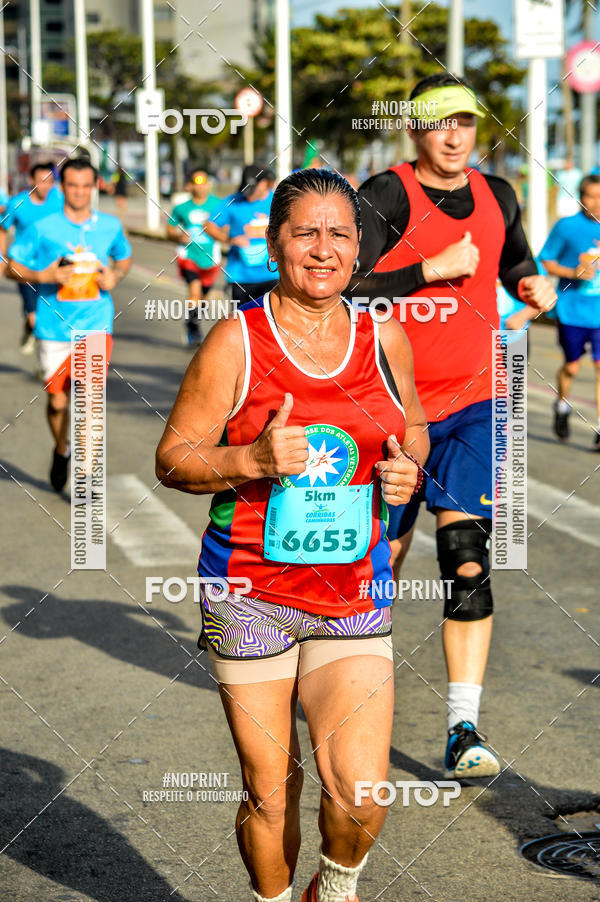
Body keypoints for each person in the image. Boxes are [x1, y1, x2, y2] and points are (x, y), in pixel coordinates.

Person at [156, 169, 429, 902]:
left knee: (361, 792)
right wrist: (250, 459)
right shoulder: (235, 340)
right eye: (305, 231)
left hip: (351, 589)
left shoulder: (385, 336)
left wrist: (407, 469)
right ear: (275, 241)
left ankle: (332, 893)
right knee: (271, 791)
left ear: (359, 248)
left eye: (340, 233)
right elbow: (175, 460)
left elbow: (414, 428)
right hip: (252, 591)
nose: (323, 248)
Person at [354, 73, 556, 778]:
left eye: (465, 123)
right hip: (392, 405)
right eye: (440, 123)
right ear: (415, 129)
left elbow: (516, 263)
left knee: (466, 558)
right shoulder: (386, 194)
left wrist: (533, 284)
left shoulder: (499, 195)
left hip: (475, 402)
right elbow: (341, 283)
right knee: (381, 565)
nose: (454, 135)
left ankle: (461, 728)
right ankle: (356, 696)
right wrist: (426, 268)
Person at [6, 157, 132, 492]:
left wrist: (115, 275)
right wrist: (42, 275)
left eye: (85, 186)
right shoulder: (43, 227)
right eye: (72, 185)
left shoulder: (109, 225)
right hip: (53, 327)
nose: (79, 192)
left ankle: (86, 475)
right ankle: (61, 449)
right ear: (63, 188)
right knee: (59, 402)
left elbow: (123, 256)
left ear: (94, 188)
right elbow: (10, 266)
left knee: (90, 398)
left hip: (96, 324)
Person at [540, 173, 600, 448]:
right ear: (581, 197)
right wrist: (573, 272)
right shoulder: (567, 227)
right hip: (572, 310)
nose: (597, 203)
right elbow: (547, 260)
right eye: (591, 196)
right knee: (572, 367)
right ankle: (562, 405)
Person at [0, 161, 64, 354]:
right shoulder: (17, 203)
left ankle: (45, 355)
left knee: (51, 315)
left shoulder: (59, 201)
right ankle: (32, 332)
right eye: (40, 181)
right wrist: (2, 259)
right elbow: (3, 230)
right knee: (34, 317)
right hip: (25, 268)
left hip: (54, 267)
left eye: (49, 181)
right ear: (31, 181)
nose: (45, 186)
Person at [204, 163, 277, 304]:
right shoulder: (233, 201)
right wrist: (230, 239)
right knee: (242, 322)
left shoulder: (277, 201)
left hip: (271, 275)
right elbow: (208, 226)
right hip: (241, 277)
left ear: (263, 184)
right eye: (246, 189)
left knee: (271, 323)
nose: (247, 195)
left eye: (252, 190)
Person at [166, 167, 222, 346]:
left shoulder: (219, 205)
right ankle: (193, 330)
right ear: (190, 186)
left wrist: (220, 234)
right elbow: (169, 229)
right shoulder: (182, 208)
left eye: (204, 182)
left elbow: (227, 227)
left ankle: (192, 322)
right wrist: (178, 236)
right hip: (188, 255)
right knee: (194, 290)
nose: (201, 186)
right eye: (197, 182)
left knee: (203, 298)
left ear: (209, 184)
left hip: (211, 258)